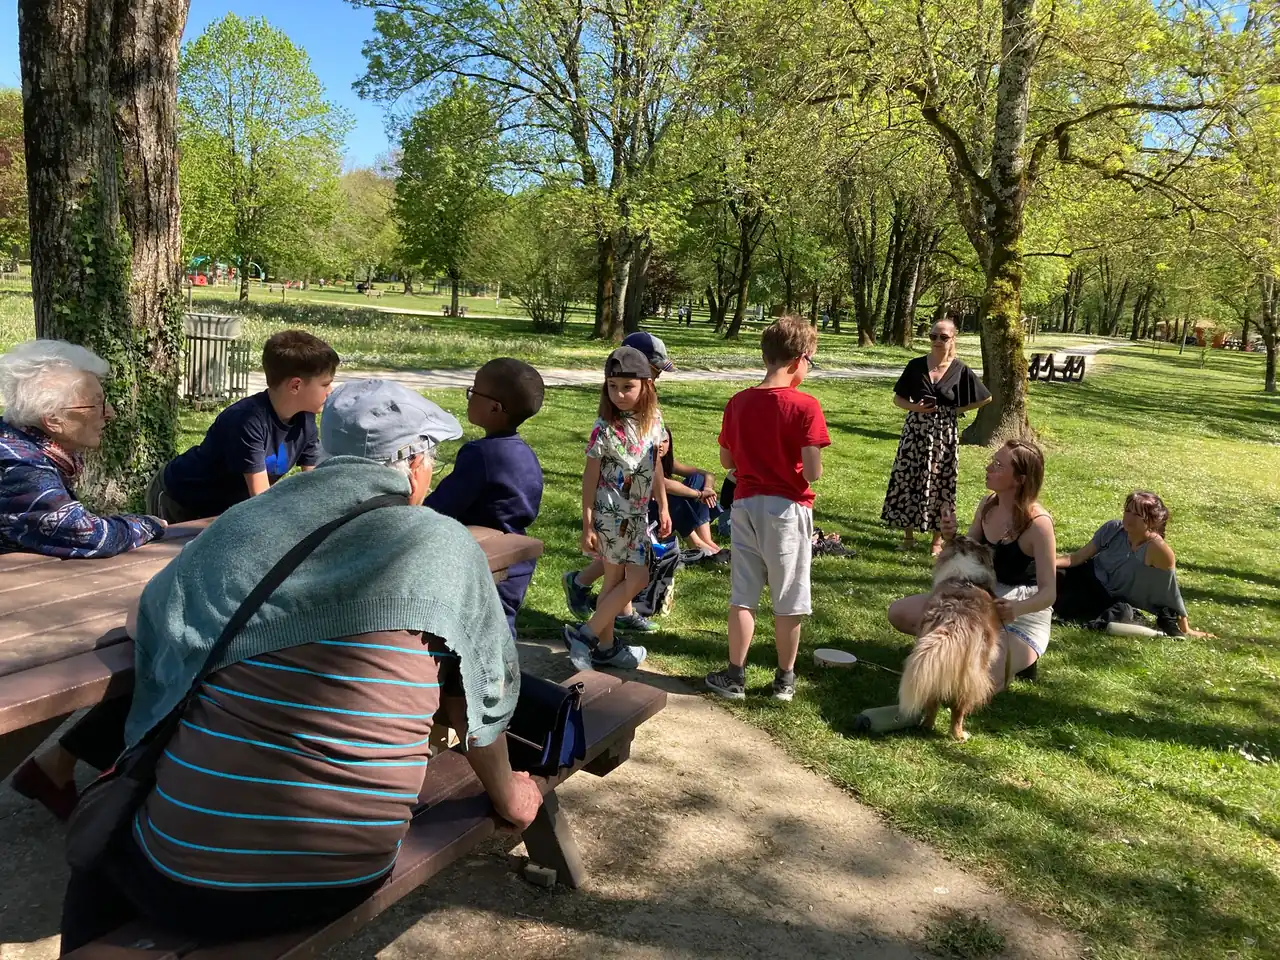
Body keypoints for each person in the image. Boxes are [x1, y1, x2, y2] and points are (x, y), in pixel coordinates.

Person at [57, 378, 540, 954]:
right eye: (430, 459)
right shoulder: (443, 546)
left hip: (182, 875)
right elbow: (485, 690)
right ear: (412, 463)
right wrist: (512, 798)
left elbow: (152, 620)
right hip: (342, 872)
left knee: (94, 867)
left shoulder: (248, 522)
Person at [705, 316, 830, 703]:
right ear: (799, 360)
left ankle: (735, 675)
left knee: (744, 593)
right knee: (788, 595)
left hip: (743, 504)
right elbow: (812, 472)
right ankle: (784, 679)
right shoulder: (806, 406)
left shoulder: (739, 402)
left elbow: (727, 460)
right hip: (787, 508)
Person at [887, 439, 1057, 693]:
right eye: (992, 461)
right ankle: (960, 646)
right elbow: (969, 552)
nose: (989, 468)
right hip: (979, 598)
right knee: (899, 613)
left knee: (972, 681)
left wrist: (1016, 608)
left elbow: (1049, 593)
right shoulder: (989, 504)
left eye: (998, 465)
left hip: (1021, 614)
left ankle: (1020, 660)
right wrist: (950, 537)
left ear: (1020, 479)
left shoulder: (1039, 525)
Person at [145, 330, 338, 522]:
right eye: (325, 384)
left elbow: (314, 485)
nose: (330, 391)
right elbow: (261, 501)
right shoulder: (246, 420)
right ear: (295, 386)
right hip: (178, 500)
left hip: (222, 509)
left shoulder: (306, 419)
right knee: (178, 553)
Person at [0, 340, 165, 559]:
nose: (110, 413)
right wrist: (149, 523)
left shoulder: (23, 444)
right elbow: (89, 536)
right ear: (53, 419)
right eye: (96, 404)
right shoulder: (20, 467)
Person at [562, 346, 671, 671]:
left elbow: (656, 467)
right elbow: (590, 475)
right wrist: (587, 522)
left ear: (645, 386)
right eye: (613, 386)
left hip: (637, 515)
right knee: (632, 577)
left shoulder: (653, 421)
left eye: (627, 387)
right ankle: (591, 635)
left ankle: (602, 644)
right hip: (610, 515)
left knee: (620, 580)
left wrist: (663, 506)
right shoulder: (605, 427)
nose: (620, 394)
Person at [425, 358, 546, 637]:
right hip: (517, 554)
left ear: (494, 408)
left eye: (474, 391)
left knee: (482, 631)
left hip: (486, 558)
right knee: (502, 626)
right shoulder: (524, 452)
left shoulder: (480, 454)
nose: (469, 397)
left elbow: (443, 506)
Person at [881, 317, 991, 555]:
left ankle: (937, 541)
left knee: (941, 483)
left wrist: (955, 410)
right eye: (933, 336)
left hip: (944, 434)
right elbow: (897, 398)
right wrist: (916, 408)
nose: (937, 341)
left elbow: (985, 397)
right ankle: (907, 536)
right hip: (915, 430)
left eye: (943, 337)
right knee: (907, 478)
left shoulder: (960, 370)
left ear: (953, 339)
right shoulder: (916, 365)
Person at [1055, 491, 1211, 637]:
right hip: (1087, 576)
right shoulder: (1113, 529)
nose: (1129, 518)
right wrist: (1047, 562)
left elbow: (1170, 592)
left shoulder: (1158, 550)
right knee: (1047, 573)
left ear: (1153, 520)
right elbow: (1077, 558)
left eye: (1137, 514)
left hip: (1108, 598)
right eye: (1127, 511)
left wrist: (1185, 628)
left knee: (1120, 613)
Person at [658, 426, 726, 563]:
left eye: (665, 441)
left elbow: (708, 474)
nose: (660, 445)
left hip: (667, 513)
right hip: (651, 515)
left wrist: (706, 489)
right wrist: (699, 494)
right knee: (672, 496)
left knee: (698, 478)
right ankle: (696, 544)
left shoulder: (667, 462)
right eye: (656, 441)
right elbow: (664, 484)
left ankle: (707, 540)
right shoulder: (645, 463)